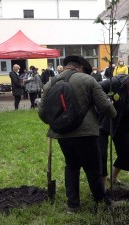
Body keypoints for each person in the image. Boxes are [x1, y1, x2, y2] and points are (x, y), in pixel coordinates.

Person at [38, 55, 117, 213]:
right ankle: (100, 200)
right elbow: (105, 107)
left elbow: (41, 113)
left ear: (67, 66)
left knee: (71, 166)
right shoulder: (88, 80)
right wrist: (113, 111)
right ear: (80, 67)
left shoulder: (50, 83)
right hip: (86, 134)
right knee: (93, 167)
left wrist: (56, 123)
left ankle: (73, 205)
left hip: (61, 134)